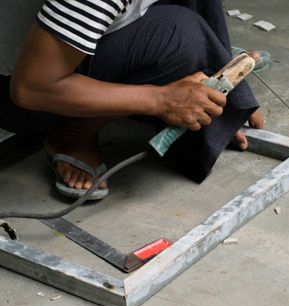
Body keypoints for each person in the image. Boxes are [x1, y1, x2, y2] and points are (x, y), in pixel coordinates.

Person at [0, 0, 265, 199]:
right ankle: (72, 133)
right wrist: (162, 99)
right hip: (18, 92)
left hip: (41, 52)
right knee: (179, 36)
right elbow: (30, 88)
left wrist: (224, 86)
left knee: (185, 26)